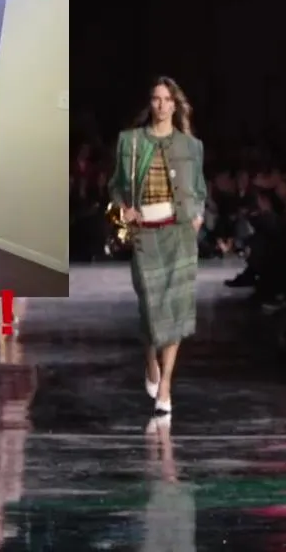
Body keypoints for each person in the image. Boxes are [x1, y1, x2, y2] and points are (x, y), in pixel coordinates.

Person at [108, 77, 207, 421]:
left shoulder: (191, 146)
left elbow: (199, 189)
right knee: (151, 309)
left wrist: (197, 217)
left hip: (179, 232)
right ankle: (150, 360)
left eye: (167, 99)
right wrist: (124, 207)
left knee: (175, 308)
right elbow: (116, 186)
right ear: (150, 103)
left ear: (175, 105)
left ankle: (166, 385)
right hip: (145, 234)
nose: (161, 105)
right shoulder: (130, 142)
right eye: (156, 99)